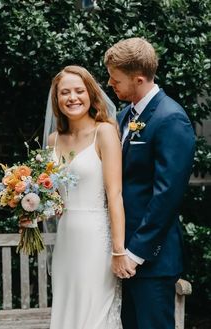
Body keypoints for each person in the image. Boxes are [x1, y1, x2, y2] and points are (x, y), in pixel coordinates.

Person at [104, 38, 195, 329]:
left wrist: (135, 253)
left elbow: (167, 194)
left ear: (139, 79)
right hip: (122, 255)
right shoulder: (123, 117)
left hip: (151, 260)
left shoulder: (171, 119)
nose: (109, 84)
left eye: (115, 79)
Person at [47, 65, 135, 329]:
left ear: (90, 94)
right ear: (57, 99)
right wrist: (29, 208)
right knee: (68, 310)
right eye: (65, 92)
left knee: (94, 314)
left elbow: (115, 194)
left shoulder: (104, 132)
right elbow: (52, 198)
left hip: (97, 240)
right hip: (66, 239)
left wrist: (118, 250)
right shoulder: (53, 140)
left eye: (78, 91)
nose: (72, 98)